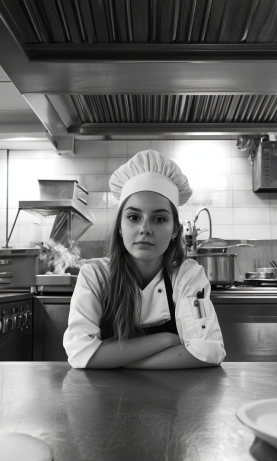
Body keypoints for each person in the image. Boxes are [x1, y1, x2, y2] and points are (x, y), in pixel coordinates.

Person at [63, 150, 226, 369]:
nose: (145, 229)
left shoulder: (187, 275)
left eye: (159, 219)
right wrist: (166, 340)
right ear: (120, 227)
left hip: (175, 398)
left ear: (175, 231)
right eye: (133, 217)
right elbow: (80, 354)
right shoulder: (95, 275)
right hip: (107, 399)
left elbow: (209, 350)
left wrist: (114, 360)